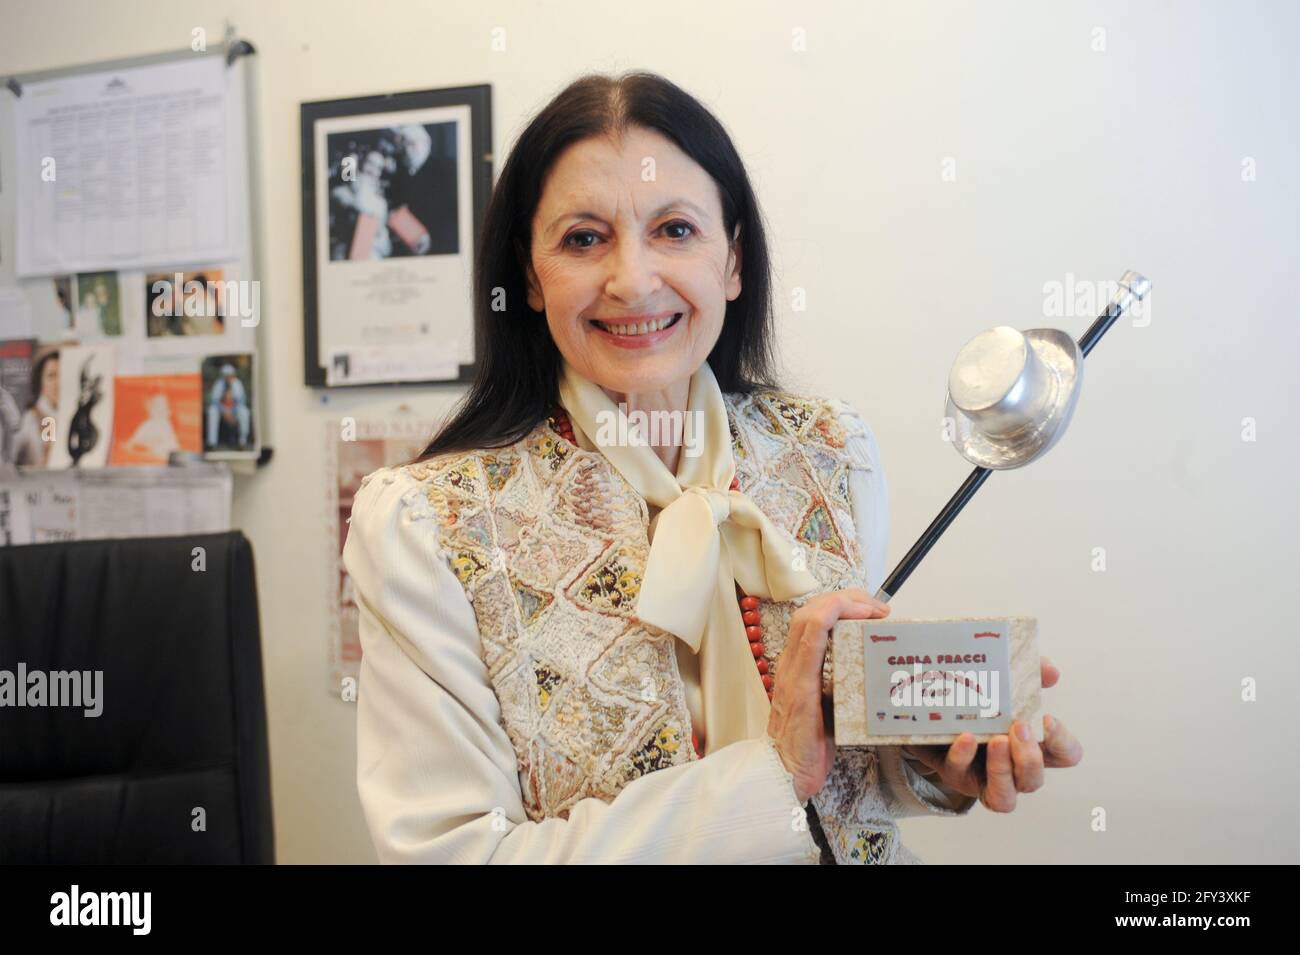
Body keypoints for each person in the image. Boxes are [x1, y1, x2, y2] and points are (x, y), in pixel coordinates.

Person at [342, 71, 1082, 865]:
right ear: (528, 276)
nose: (632, 279)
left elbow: (845, 769)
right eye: (584, 238)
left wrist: (929, 761)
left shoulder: (832, 451)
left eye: (675, 230)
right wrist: (768, 777)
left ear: (732, 261)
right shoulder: (427, 524)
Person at [206, 363, 250, 449]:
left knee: (244, 412)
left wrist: (231, 413)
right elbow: (214, 401)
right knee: (212, 411)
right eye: (226, 375)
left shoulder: (237, 384)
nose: (228, 377)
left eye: (230, 375)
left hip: (234, 410)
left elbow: (241, 401)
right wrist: (224, 411)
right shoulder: (219, 384)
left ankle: (242, 442)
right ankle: (212, 443)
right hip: (222, 410)